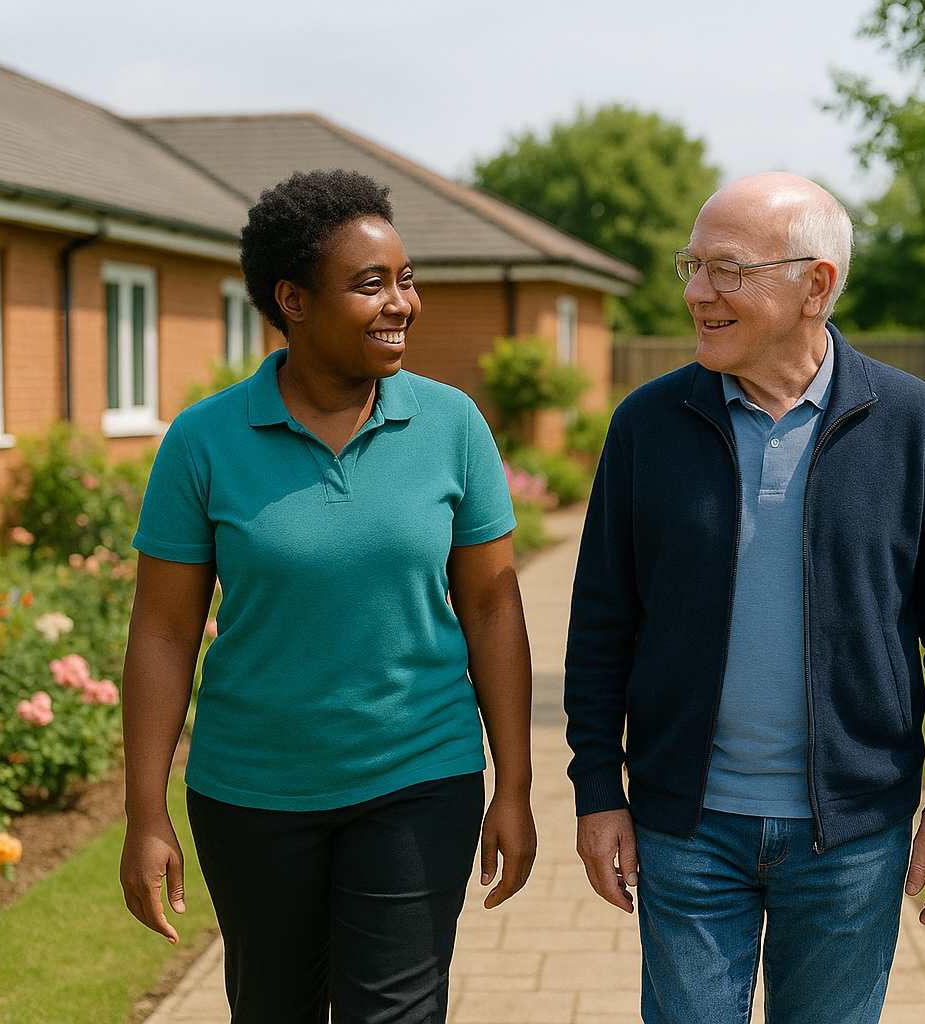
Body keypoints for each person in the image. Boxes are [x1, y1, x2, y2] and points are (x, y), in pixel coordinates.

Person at [564, 172, 925, 1024]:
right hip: (683, 830)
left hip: (852, 835)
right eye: (692, 265)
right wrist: (596, 789)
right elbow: (602, 620)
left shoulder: (911, 421)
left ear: (817, 285)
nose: (696, 293)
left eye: (727, 270)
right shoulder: (647, 424)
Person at [119, 169, 536, 1024]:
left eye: (406, 278)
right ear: (293, 301)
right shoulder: (204, 441)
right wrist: (144, 811)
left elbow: (494, 607)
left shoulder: (452, 424)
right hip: (251, 791)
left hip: (420, 776)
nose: (403, 303)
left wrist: (515, 787)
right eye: (370, 284)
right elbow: (164, 634)